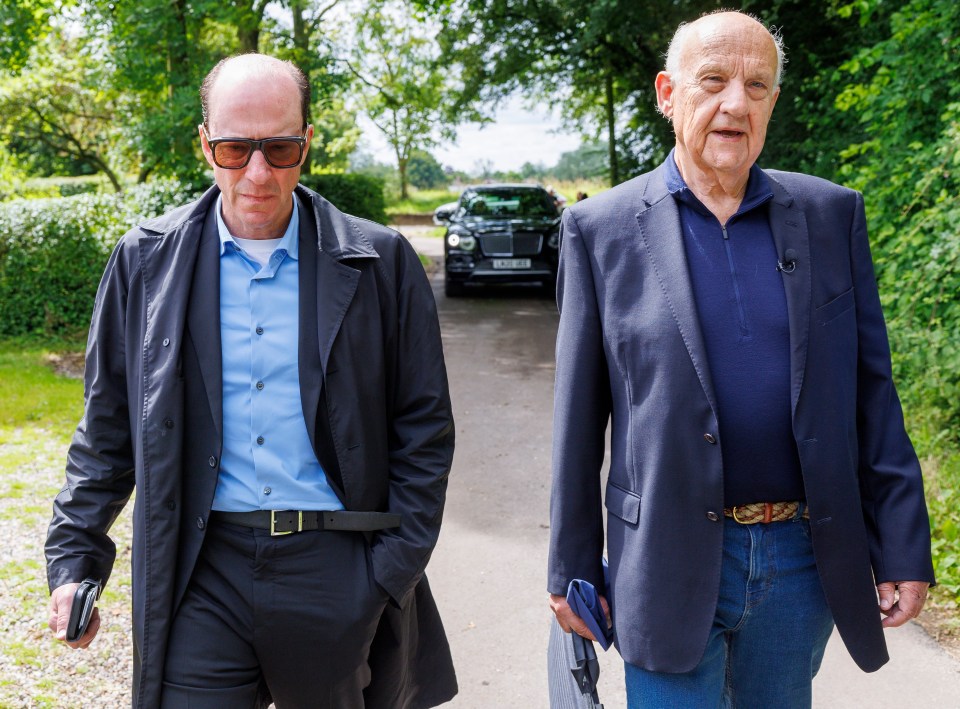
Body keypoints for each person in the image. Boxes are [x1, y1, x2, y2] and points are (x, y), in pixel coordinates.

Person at [547, 10, 934, 708]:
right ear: (668, 94)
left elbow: (872, 394)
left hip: (797, 560)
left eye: (757, 86)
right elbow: (577, 421)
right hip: (662, 554)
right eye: (714, 80)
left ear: (773, 104)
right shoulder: (598, 229)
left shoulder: (830, 214)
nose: (736, 103)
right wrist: (570, 564)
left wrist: (903, 543)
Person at [45, 53, 457, 709]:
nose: (259, 172)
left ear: (308, 143)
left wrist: (383, 577)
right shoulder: (143, 263)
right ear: (205, 144)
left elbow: (425, 431)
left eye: (281, 148)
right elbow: (107, 427)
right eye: (236, 148)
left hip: (336, 569)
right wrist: (75, 558)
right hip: (202, 571)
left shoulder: (381, 263)